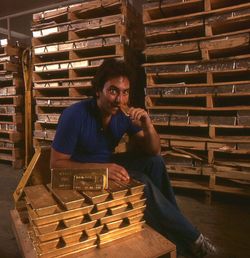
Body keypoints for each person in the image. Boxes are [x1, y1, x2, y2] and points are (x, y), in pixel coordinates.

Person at [50, 58, 217, 257]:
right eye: (113, 91)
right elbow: (56, 164)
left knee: (155, 163)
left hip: (107, 165)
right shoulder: (74, 115)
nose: (119, 99)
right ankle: (193, 239)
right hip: (79, 174)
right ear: (98, 90)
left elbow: (154, 151)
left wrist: (148, 125)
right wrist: (102, 170)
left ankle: (173, 232)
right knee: (142, 183)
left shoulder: (122, 114)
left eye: (125, 92)